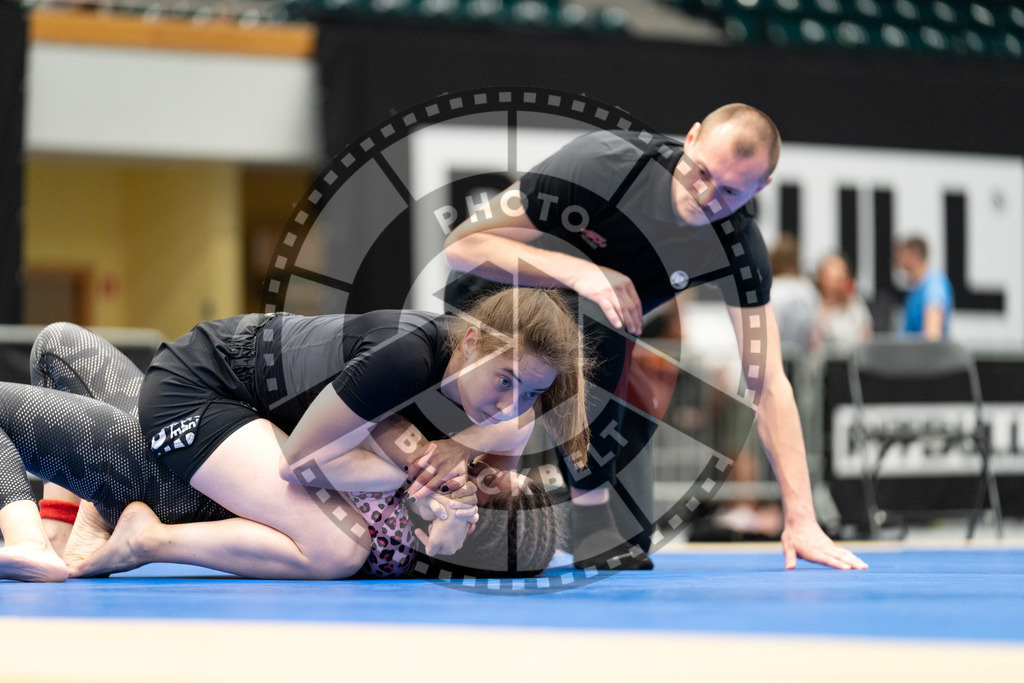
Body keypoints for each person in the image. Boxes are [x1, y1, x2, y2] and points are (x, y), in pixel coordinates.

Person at [442, 103, 867, 571]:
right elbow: (463, 245)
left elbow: (767, 381)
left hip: (595, 341)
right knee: (601, 315)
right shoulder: (601, 164)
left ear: (759, 189)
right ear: (690, 137)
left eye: (728, 190)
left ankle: (550, 503)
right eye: (699, 172)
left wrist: (801, 519)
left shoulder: (738, 247)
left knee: (630, 536)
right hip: (491, 305)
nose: (704, 195)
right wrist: (582, 271)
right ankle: (586, 511)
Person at [0, 321, 559, 581]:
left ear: (475, 521)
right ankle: (72, 523)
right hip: (207, 426)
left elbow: (311, 467)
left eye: (497, 482)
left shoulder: (410, 531)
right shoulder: (432, 468)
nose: (489, 467)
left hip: (165, 478)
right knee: (57, 342)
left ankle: (29, 536)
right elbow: (517, 426)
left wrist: (435, 508)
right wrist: (464, 445)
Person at [893, 236, 953, 341]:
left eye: (903, 256)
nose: (899, 263)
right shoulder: (914, 289)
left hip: (924, 356)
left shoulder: (934, 286)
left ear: (914, 255)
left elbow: (932, 336)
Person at [768, 233, 819, 356]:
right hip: (803, 356)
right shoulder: (807, 288)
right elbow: (815, 327)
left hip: (777, 355)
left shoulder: (771, 287)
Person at [812, 253, 873, 351]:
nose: (834, 286)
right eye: (829, 279)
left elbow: (865, 337)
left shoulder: (856, 306)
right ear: (821, 279)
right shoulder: (812, 304)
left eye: (839, 280)